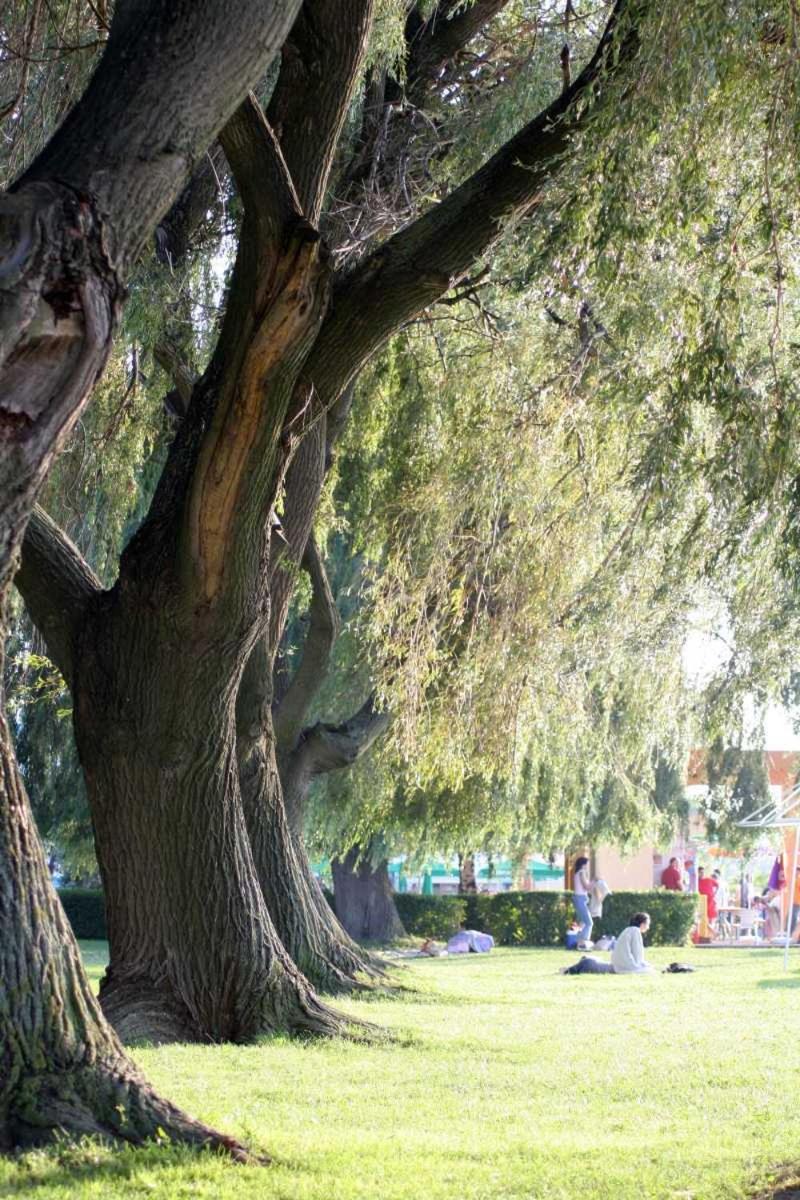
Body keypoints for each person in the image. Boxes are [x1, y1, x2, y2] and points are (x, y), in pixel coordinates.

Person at [561, 913, 653, 975]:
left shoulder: (629, 930)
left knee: (588, 963)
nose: (648, 928)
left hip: (617, 965)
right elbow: (638, 956)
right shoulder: (635, 931)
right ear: (642, 924)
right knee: (587, 964)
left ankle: (571, 968)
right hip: (620, 966)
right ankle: (570, 969)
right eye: (647, 924)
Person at [572, 855, 594, 948]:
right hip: (580, 899)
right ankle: (583, 943)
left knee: (583, 923)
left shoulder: (578, 873)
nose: (587, 866)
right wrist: (595, 881)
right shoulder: (582, 872)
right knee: (589, 923)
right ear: (583, 865)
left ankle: (578, 942)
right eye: (587, 864)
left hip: (580, 899)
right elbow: (586, 886)